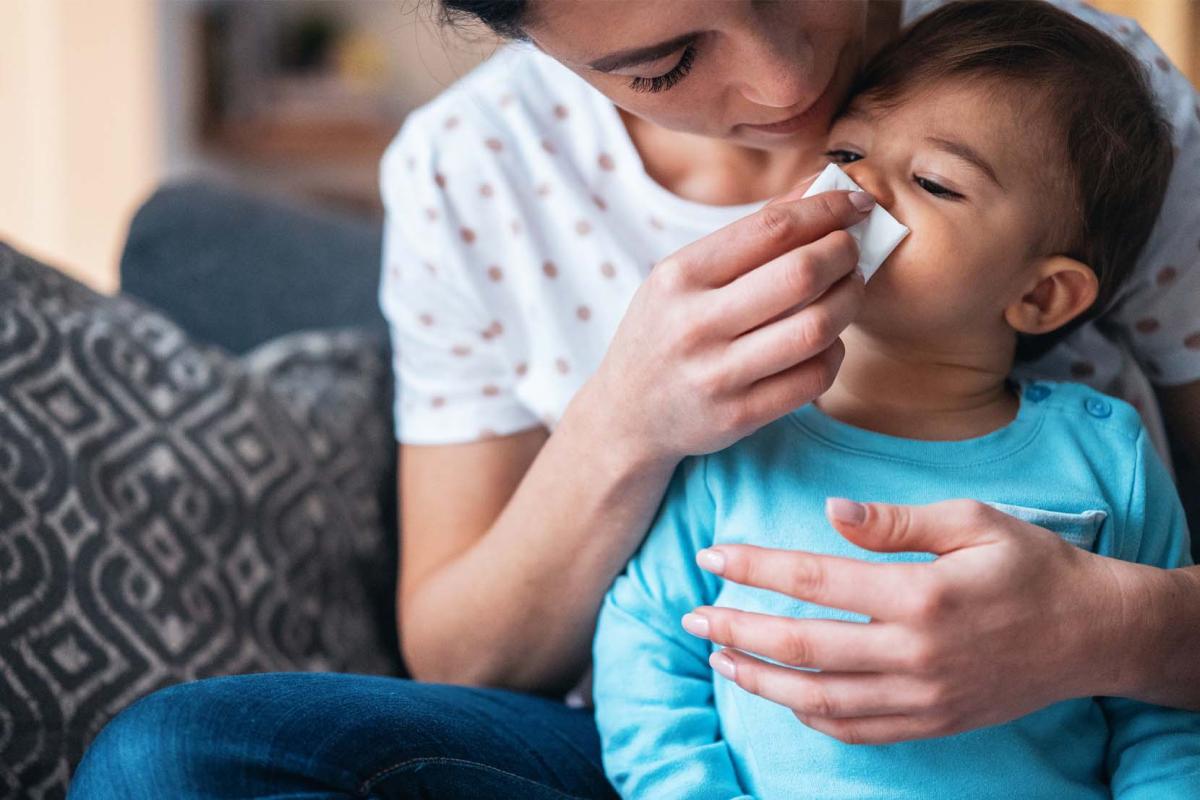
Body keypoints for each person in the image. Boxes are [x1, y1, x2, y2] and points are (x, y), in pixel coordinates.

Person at [71, 0, 1200, 797]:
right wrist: (626, 424)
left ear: (1049, 292)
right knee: (173, 757)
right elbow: (500, 657)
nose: (792, 87)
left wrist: (1111, 627)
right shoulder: (471, 173)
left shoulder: (1078, 98)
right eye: (665, 63)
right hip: (678, 756)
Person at [592, 3, 1198, 798]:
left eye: (935, 182)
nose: (858, 190)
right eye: (845, 151)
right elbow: (647, 649)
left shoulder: (1106, 457)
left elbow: (1164, 720)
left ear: (1044, 295)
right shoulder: (739, 432)